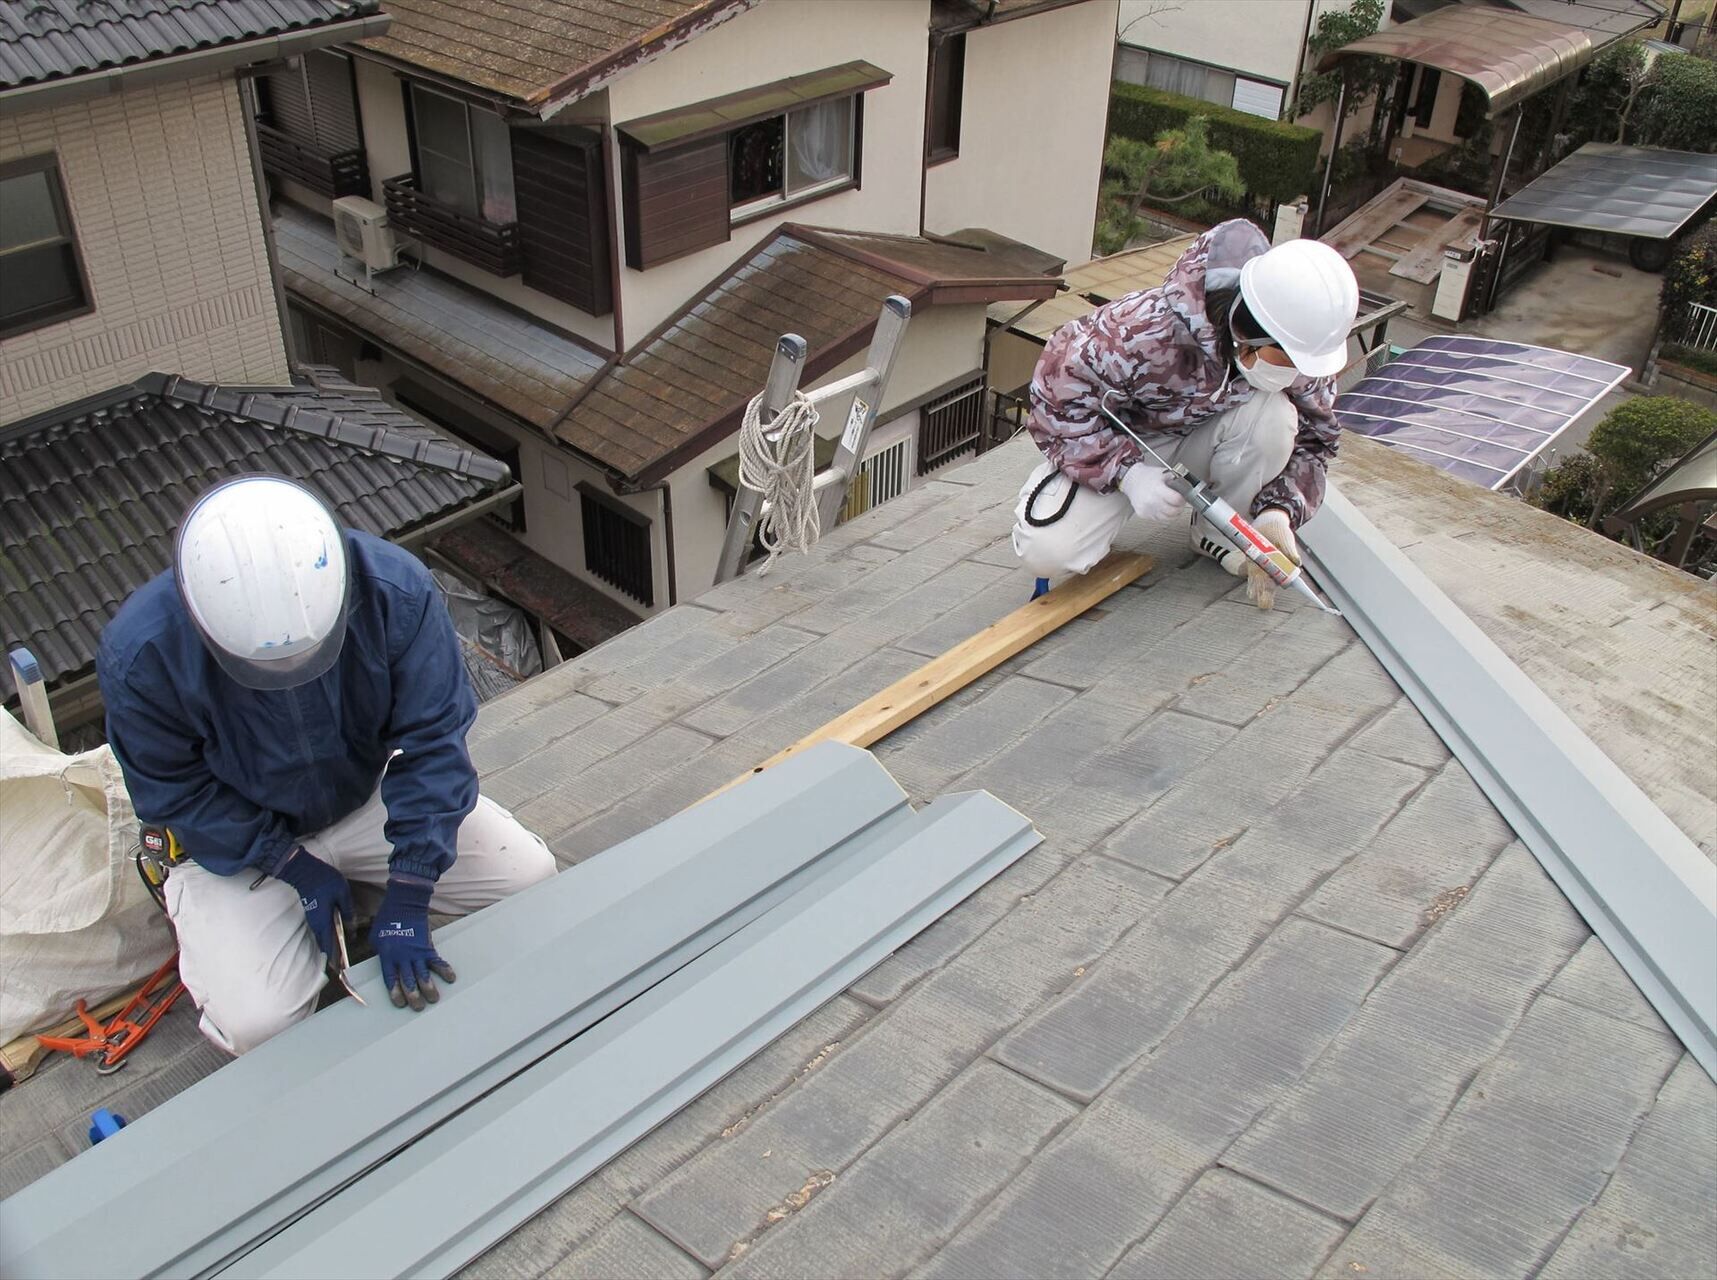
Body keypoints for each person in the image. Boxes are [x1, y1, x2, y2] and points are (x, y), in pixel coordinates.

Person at [97, 475, 556, 1055]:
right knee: (258, 1024)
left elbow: (434, 742)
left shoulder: (395, 591)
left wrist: (413, 884)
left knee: (529, 877)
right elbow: (179, 794)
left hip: (360, 801)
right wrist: (289, 863)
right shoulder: (142, 655)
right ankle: (313, 901)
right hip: (240, 847)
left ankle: (370, 891)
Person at [1012, 219, 1359, 608]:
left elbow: (1318, 440)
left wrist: (1278, 510)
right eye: (1288, 357)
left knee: (1277, 420)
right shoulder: (1141, 332)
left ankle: (1223, 531)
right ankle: (1083, 492)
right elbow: (1053, 403)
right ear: (1250, 330)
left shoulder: (1303, 348)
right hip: (1124, 443)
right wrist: (1126, 474)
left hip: (1208, 432)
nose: (1298, 371)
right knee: (1046, 551)